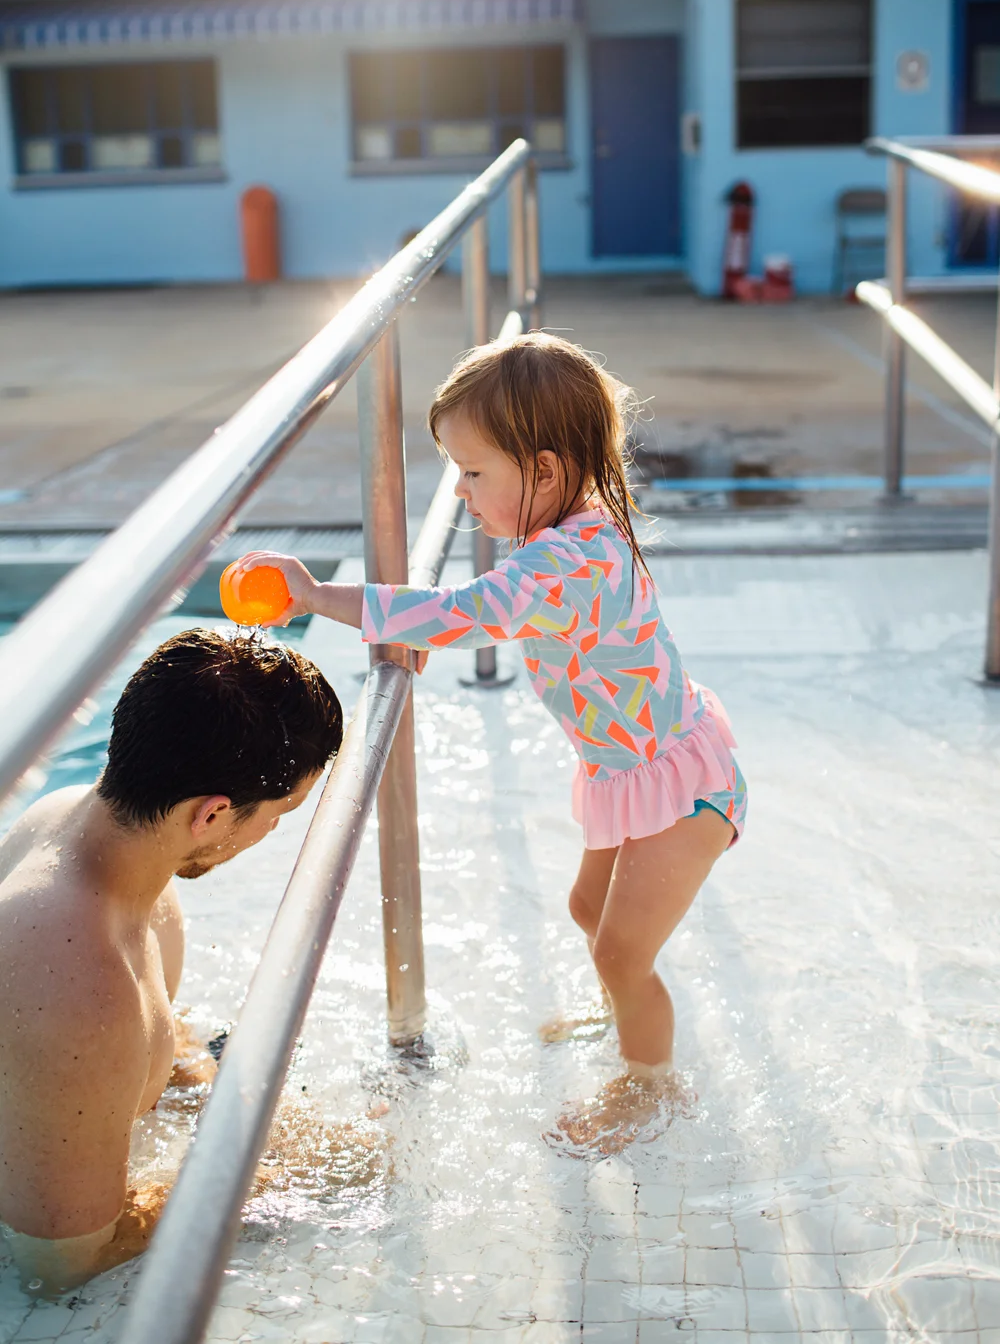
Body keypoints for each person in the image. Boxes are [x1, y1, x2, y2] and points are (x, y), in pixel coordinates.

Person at [234, 331, 747, 1150]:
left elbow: (466, 610)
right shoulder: (569, 536)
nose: (464, 493)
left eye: (475, 473)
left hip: (683, 788)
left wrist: (314, 595)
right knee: (591, 911)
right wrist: (431, 635)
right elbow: (511, 615)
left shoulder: (567, 562)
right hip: (633, 771)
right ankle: (625, 1002)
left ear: (544, 470)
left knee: (620, 952)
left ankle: (650, 1084)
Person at [0, 629, 343, 1297]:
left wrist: (221, 1090)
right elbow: (60, 1264)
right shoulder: (72, 982)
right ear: (212, 814)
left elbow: (141, 1052)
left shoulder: (75, 825)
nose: (273, 834)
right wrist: (268, 1177)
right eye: (280, 814)